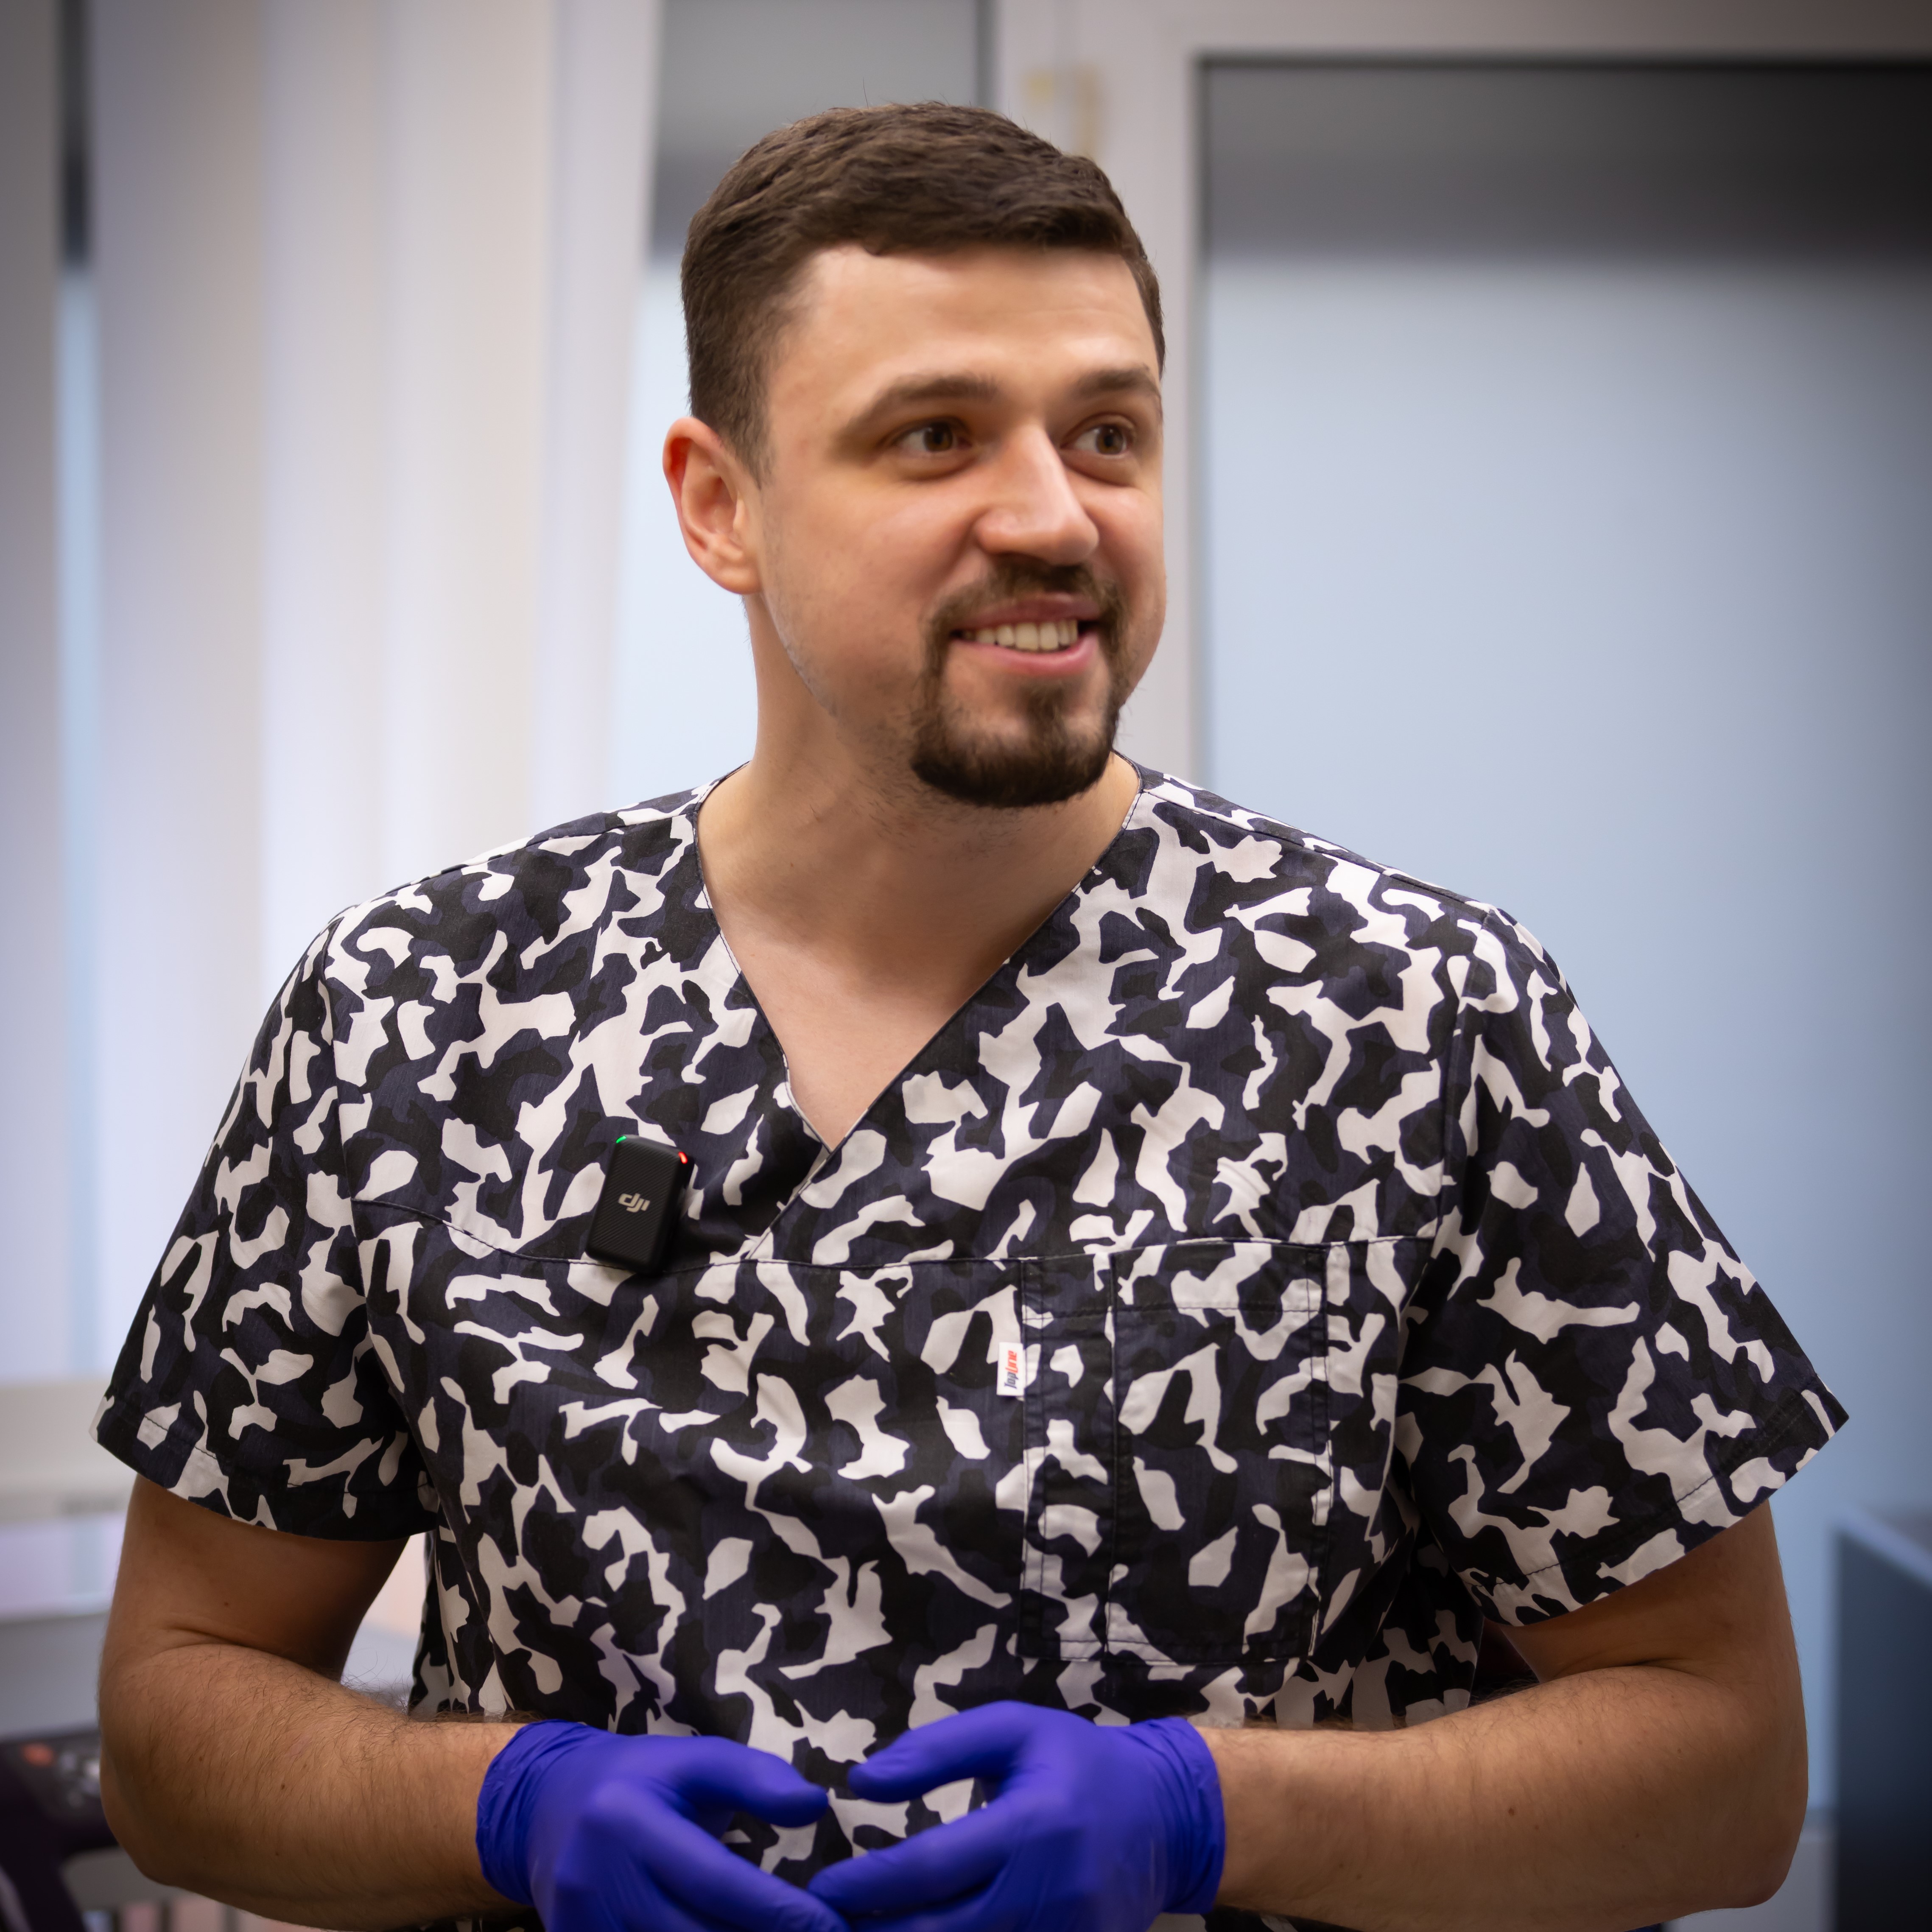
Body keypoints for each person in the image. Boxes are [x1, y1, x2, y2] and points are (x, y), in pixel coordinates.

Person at [92, 103, 1843, 1932]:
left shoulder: (1418, 1023)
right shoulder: (416, 1014)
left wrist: (1216, 1813)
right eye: (934, 436)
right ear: (718, 503)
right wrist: (497, 1806)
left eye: (1106, 434)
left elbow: (1722, 1769)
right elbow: (176, 1710)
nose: (1051, 516)